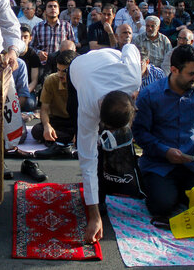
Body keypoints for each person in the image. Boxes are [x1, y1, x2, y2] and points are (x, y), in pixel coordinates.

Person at [132, 45, 194, 222]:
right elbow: (140, 132)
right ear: (174, 70)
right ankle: (164, 188)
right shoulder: (150, 95)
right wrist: (165, 151)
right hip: (160, 163)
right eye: (191, 74)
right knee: (161, 207)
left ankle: (178, 190)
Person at [69, 44, 141, 243]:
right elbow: (87, 159)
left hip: (112, 60)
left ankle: (111, 183)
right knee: (91, 147)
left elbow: (129, 46)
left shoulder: (133, 76)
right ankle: (96, 200)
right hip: (79, 68)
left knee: (115, 145)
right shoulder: (88, 107)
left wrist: (139, 80)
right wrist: (93, 216)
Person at [32, 50, 78, 158]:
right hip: (57, 120)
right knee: (37, 131)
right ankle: (65, 140)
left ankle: (60, 141)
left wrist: (79, 130)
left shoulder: (82, 81)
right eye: (58, 70)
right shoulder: (51, 80)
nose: (60, 75)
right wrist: (47, 126)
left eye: (64, 71)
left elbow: (87, 111)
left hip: (76, 120)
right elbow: (44, 109)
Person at [30, 0, 75, 65]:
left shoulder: (67, 26)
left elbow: (73, 46)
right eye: (50, 6)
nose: (53, 8)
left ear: (59, 10)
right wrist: (38, 52)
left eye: (55, 6)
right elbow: (31, 46)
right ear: (45, 11)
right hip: (43, 64)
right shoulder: (37, 27)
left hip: (62, 64)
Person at [19, 24, 40, 111]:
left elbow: (34, 81)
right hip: (11, 88)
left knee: (29, 104)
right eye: (20, 36)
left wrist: (23, 94)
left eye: (25, 37)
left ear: (30, 38)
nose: (22, 40)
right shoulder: (8, 53)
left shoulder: (33, 55)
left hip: (27, 89)